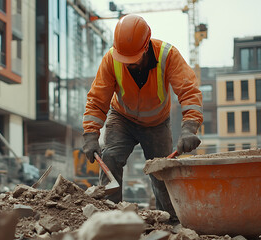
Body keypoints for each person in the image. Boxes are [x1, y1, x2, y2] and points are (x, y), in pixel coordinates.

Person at [82, 14, 203, 220]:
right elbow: (97, 98)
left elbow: (189, 91)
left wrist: (189, 128)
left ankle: (172, 221)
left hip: (157, 123)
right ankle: (109, 219)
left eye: (133, 59)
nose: (128, 64)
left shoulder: (168, 55)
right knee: (110, 158)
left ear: (146, 46)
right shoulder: (111, 58)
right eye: (125, 59)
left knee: (161, 174)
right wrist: (90, 135)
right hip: (121, 118)